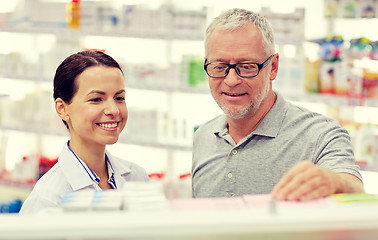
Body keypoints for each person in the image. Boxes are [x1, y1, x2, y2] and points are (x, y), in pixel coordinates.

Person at [192, 8, 364, 201]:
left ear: (273, 67)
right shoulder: (202, 136)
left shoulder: (320, 134)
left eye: (247, 67)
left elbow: (354, 187)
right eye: (219, 67)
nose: (231, 80)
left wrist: (335, 182)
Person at [20, 51, 149, 214]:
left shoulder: (137, 177)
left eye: (119, 98)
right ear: (62, 109)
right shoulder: (47, 201)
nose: (113, 110)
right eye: (96, 99)